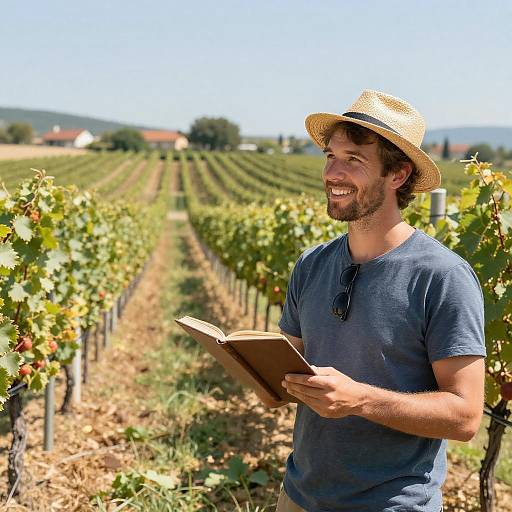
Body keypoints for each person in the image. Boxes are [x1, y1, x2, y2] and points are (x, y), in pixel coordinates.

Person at [276, 90, 486, 512]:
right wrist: (260, 372)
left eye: (353, 159)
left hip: (391, 504)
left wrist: (359, 400)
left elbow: (465, 416)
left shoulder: (442, 277)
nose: (333, 173)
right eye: (330, 156)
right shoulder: (311, 264)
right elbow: (289, 373)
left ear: (398, 175)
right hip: (299, 495)